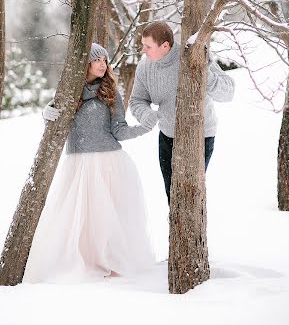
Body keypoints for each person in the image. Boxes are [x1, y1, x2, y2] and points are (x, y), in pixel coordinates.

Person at [23, 43, 155, 283]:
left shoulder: (110, 91)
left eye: (105, 60)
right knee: (79, 218)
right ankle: (84, 261)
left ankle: (111, 260)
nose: (103, 64)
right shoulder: (69, 91)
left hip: (108, 161)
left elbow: (119, 130)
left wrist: (142, 129)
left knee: (107, 217)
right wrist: (46, 114)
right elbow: (56, 125)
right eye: (98, 60)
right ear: (85, 63)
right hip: (78, 163)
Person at [129, 21, 235, 204]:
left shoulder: (192, 57)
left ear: (165, 46)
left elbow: (228, 93)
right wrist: (145, 114)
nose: (143, 50)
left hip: (200, 135)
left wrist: (204, 74)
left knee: (189, 196)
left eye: (148, 46)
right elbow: (137, 100)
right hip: (167, 135)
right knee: (173, 196)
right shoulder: (145, 68)